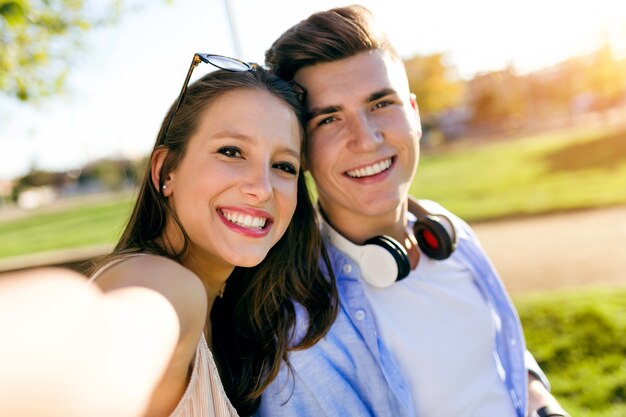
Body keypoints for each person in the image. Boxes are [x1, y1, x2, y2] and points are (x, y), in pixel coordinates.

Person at [257, 5, 570, 417]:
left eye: (381, 104)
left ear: (414, 114)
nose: (366, 140)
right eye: (330, 119)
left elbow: (496, 354)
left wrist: (540, 401)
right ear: (301, 151)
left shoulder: (445, 230)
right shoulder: (298, 332)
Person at [0, 54, 337, 417]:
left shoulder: (223, 305)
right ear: (165, 172)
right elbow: (91, 344)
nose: (262, 188)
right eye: (231, 151)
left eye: (283, 166)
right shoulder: (167, 286)